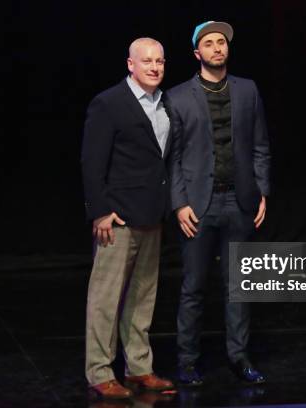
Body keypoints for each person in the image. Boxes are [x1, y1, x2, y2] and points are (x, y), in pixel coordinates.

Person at [166, 21, 271, 385]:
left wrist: (261, 192)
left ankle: (239, 357)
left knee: (239, 285)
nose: (217, 48)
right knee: (193, 286)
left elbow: (260, 146)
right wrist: (179, 204)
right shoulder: (178, 97)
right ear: (197, 53)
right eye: (209, 43)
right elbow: (174, 157)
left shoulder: (248, 90)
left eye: (221, 42)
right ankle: (188, 361)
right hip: (199, 205)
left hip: (239, 202)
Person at [82, 37, 174, 399]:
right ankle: (100, 372)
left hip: (152, 214)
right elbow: (92, 162)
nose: (154, 67)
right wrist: (101, 210)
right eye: (147, 61)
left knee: (143, 296)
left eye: (160, 61)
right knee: (106, 298)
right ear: (130, 65)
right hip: (118, 217)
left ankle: (139, 367)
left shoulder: (165, 103)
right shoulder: (109, 103)